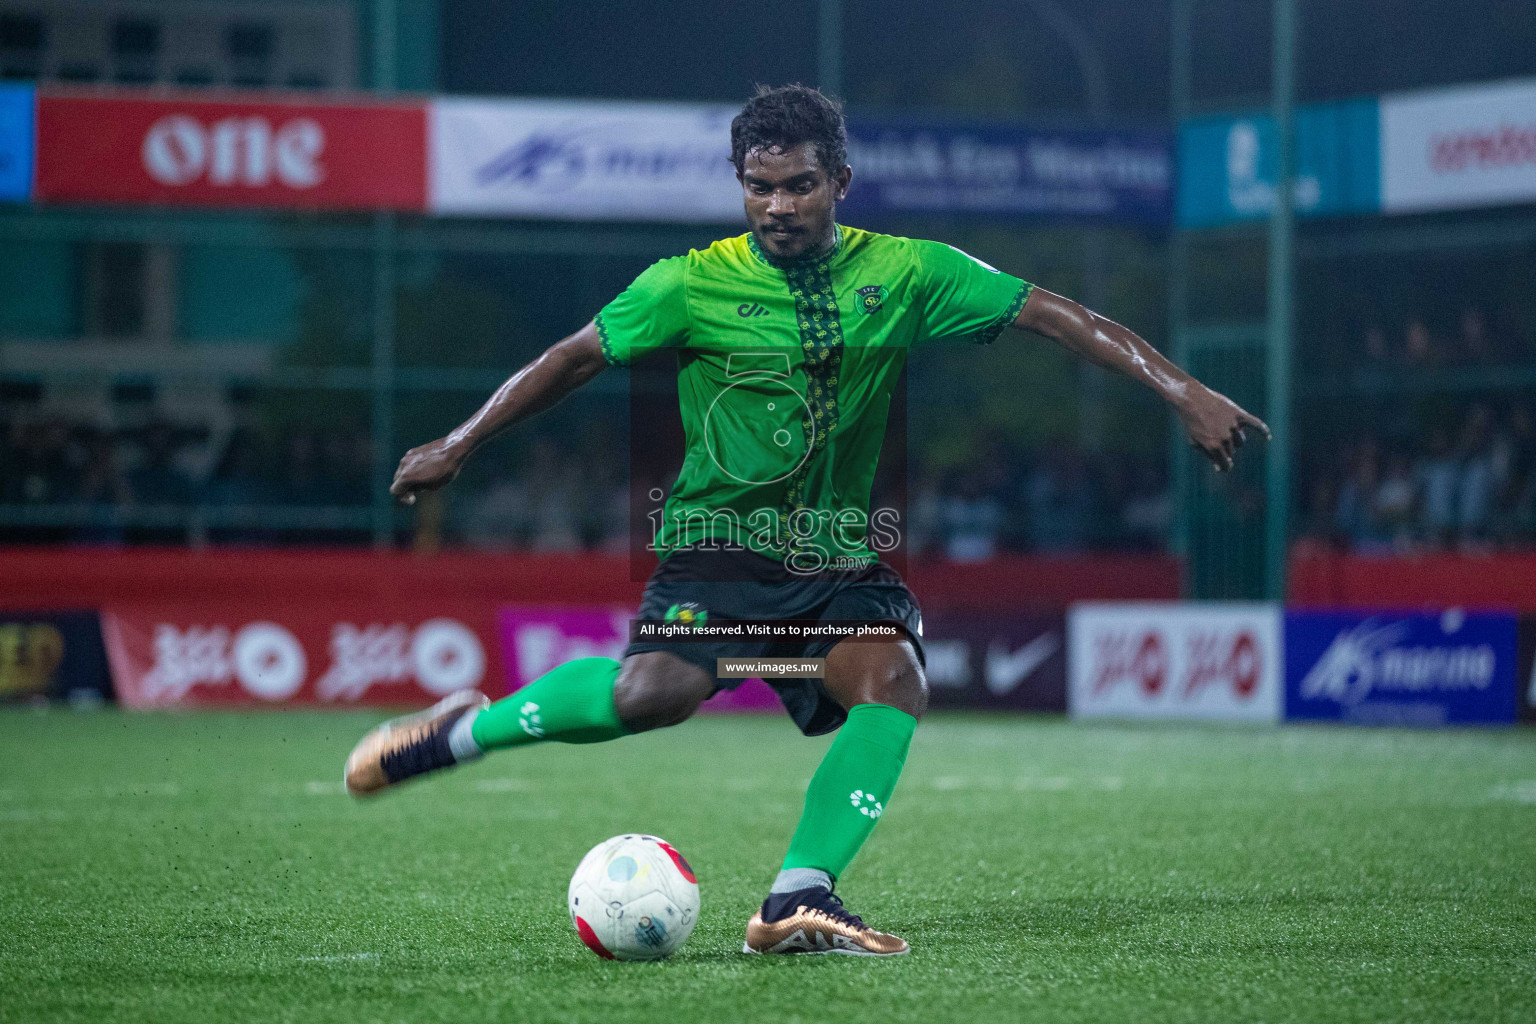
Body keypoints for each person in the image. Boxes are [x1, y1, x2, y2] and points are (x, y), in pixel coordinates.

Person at [343, 85, 1267, 957]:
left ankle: (797, 895)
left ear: (840, 183)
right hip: (716, 548)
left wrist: (1183, 391)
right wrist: (460, 442)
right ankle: (460, 732)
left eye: (799, 186)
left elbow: (1055, 316)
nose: (777, 206)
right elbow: (573, 358)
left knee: (894, 677)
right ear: (739, 184)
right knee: (648, 697)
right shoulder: (688, 284)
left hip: (831, 559)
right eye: (759, 187)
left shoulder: (906, 271)